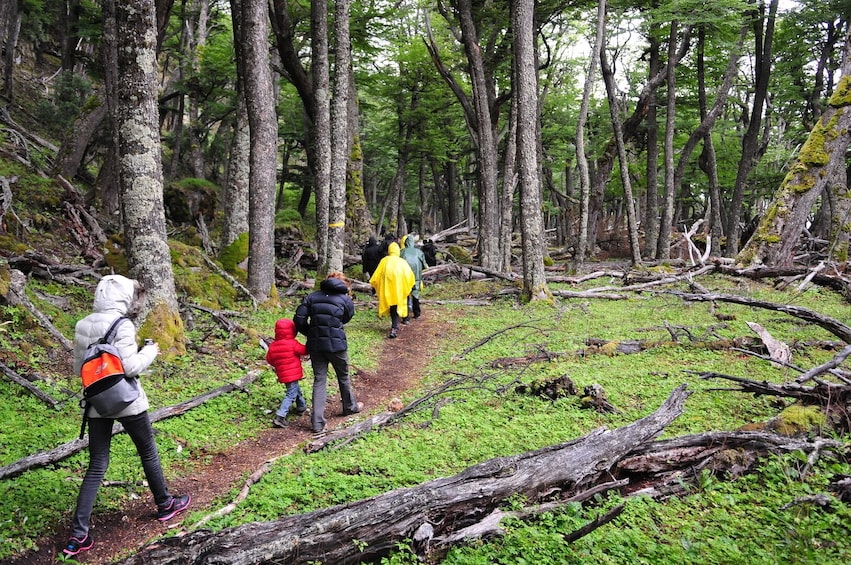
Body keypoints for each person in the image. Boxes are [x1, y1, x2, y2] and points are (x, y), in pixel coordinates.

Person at [62, 275, 190, 558]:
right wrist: (151, 351)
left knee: (97, 465)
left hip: (97, 402)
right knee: (147, 451)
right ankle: (165, 504)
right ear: (122, 298)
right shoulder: (122, 324)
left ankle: (78, 535)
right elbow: (131, 368)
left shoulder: (83, 324)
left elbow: (77, 369)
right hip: (127, 401)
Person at [294, 271, 363, 436]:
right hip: (338, 345)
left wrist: (311, 333)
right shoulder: (345, 299)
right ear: (342, 284)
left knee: (319, 380)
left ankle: (317, 422)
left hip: (316, 345)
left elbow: (298, 320)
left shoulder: (311, 297)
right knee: (343, 376)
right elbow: (347, 317)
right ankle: (350, 406)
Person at [265, 318, 309, 428]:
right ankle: (280, 416)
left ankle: (301, 406)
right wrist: (310, 343)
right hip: (292, 373)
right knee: (291, 394)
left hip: (283, 374)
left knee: (294, 389)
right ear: (292, 330)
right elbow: (304, 351)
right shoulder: (292, 343)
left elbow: (269, 359)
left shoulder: (273, 345)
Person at [369, 241, 415, 338]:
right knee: (400, 303)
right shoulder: (402, 262)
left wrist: (374, 286)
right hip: (400, 289)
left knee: (393, 306)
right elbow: (410, 276)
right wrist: (410, 286)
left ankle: (395, 326)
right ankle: (400, 322)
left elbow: (376, 276)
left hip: (388, 290)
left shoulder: (384, 261)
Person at [400, 234, 427, 322]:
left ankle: (405, 317)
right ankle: (417, 313)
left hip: (405, 278)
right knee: (415, 295)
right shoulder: (419, 252)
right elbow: (424, 265)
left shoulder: (402, 252)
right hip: (416, 277)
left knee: (405, 296)